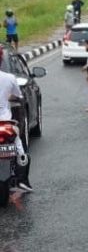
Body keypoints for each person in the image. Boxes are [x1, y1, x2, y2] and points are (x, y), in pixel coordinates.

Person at [0, 46, 32, 191]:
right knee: (19, 148)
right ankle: (22, 180)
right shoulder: (10, 78)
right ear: (1, 60)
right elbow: (18, 96)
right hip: (5, 122)